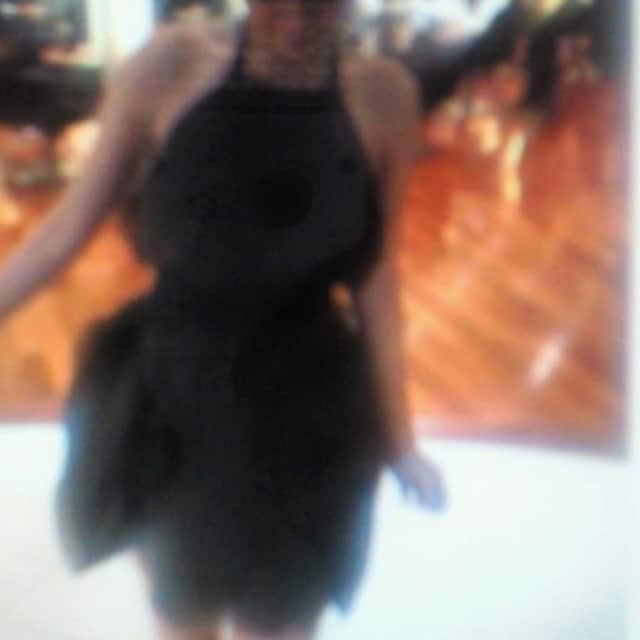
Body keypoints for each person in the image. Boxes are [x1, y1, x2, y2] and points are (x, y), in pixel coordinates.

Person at [0, 2, 445, 638]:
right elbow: (60, 234)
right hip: (182, 398)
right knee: (187, 609)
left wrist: (400, 440)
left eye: (319, 7)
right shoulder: (169, 67)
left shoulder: (385, 97)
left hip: (311, 404)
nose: (296, 23)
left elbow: (374, 272)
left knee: (283, 616)